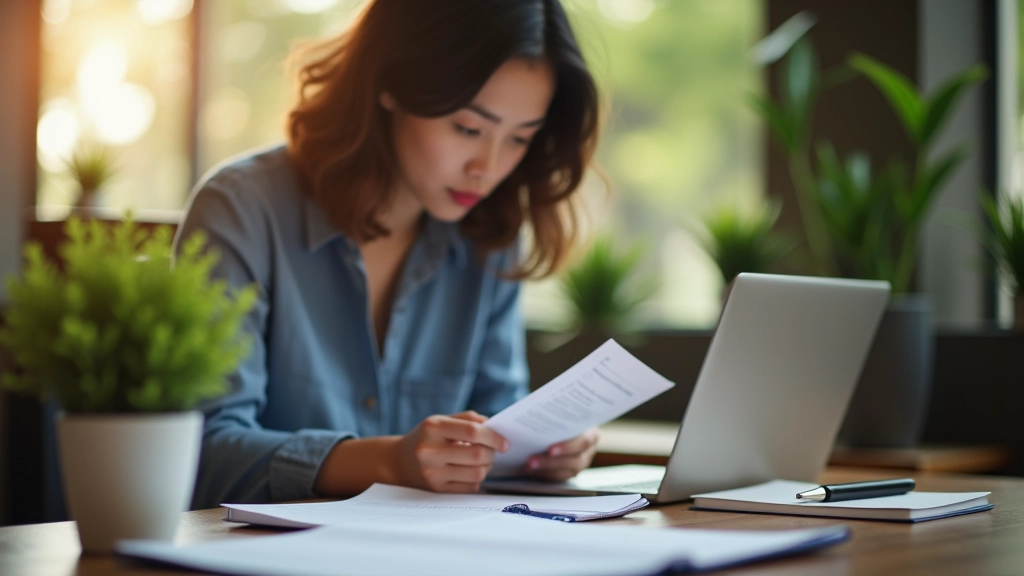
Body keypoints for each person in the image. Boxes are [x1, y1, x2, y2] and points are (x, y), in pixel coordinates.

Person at [176, 0, 602, 509]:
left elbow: (496, 419)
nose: (487, 168)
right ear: (390, 85)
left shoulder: (492, 234)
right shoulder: (243, 211)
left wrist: (537, 452)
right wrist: (386, 461)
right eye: (468, 129)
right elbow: (198, 453)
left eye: (519, 139)